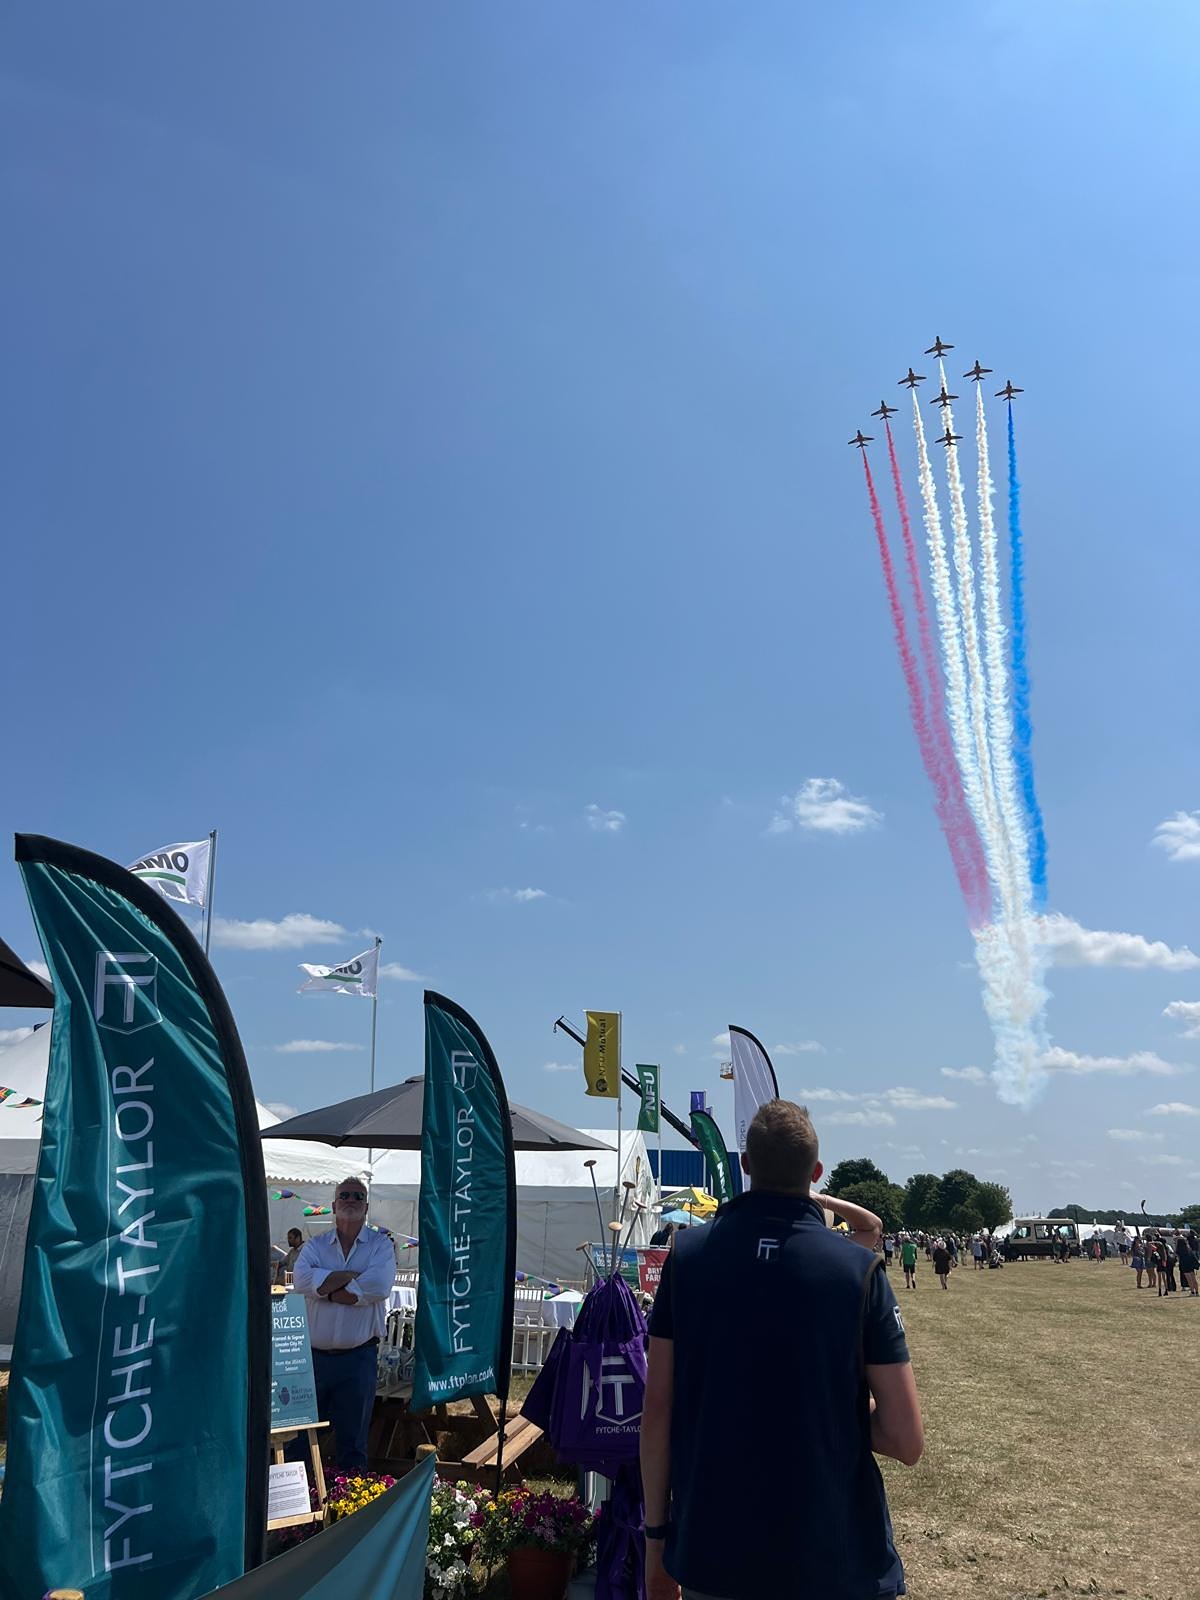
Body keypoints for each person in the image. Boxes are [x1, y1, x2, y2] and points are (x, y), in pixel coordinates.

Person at [640, 1100, 923, 1600]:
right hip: (833, 1553)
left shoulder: (686, 1258)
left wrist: (656, 1540)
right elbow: (906, 1440)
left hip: (714, 1548)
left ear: (745, 1165)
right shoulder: (859, 1273)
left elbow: (658, 1408)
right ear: (815, 1173)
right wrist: (844, 1416)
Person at [291, 1176, 396, 1471]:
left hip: (358, 1358)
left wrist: (325, 1285)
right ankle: (302, 1512)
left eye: (357, 1196)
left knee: (353, 1443)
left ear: (366, 1207)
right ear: (334, 1205)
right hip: (314, 1361)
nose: (351, 1200)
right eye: (345, 1196)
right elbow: (301, 1281)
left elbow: (379, 1286)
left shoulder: (380, 1246)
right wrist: (352, 1276)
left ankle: (349, 1510)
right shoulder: (315, 1246)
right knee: (301, 1439)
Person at [1177, 1231, 1199, 1296]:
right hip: (1191, 1265)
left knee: (1189, 1280)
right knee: (1193, 1279)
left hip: (1184, 1265)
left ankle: (1192, 1292)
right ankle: (1197, 1292)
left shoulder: (1179, 1251)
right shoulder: (1189, 1249)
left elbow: (1179, 1258)